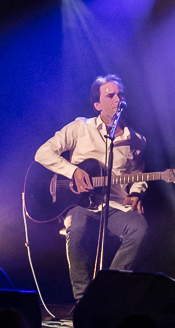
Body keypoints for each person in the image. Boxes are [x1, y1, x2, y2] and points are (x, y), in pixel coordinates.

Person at [35, 73, 147, 303]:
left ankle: (106, 292)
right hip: (80, 205)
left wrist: (136, 192)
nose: (117, 99)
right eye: (110, 95)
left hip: (115, 206)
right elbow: (42, 153)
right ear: (98, 105)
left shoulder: (136, 140)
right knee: (76, 230)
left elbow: (138, 174)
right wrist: (72, 171)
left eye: (120, 95)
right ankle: (83, 301)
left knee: (139, 228)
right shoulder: (81, 127)